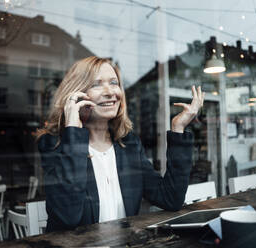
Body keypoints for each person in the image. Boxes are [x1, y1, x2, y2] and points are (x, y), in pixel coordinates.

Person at [37, 56, 205, 232]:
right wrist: (73, 131)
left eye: (114, 83)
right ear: (75, 95)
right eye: (96, 84)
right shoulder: (53, 144)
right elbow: (68, 217)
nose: (110, 92)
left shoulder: (128, 144)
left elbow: (170, 198)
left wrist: (178, 128)